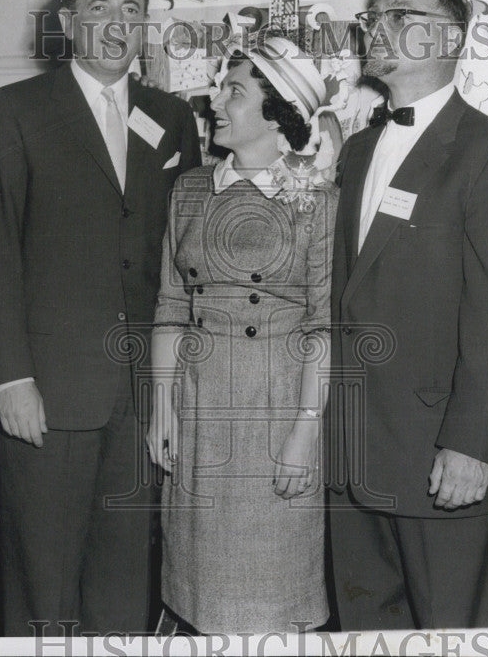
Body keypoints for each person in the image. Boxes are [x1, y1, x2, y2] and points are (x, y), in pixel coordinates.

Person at [0, 0, 201, 635]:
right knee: (44, 587)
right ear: (67, 21)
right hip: (48, 393)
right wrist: (12, 378)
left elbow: (183, 255)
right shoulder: (16, 109)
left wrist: (178, 385)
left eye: (132, 10)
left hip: (142, 399)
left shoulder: (172, 116)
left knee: (125, 584)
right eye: (101, 8)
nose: (118, 24)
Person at [327, 0, 488, 629]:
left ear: (450, 35)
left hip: (443, 460)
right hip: (354, 458)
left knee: (457, 635)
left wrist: (473, 444)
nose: (377, 27)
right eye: (373, 15)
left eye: (399, 14)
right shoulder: (357, 151)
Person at [146, 35, 339, 633]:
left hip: (275, 408)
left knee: (271, 599)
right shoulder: (189, 190)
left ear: (278, 113)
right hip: (200, 410)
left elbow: (321, 324)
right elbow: (172, 305)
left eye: (234, 91)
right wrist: (161, 407)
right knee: (201, 598)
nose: (216, 101)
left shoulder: (319, 200)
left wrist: (304, 434)